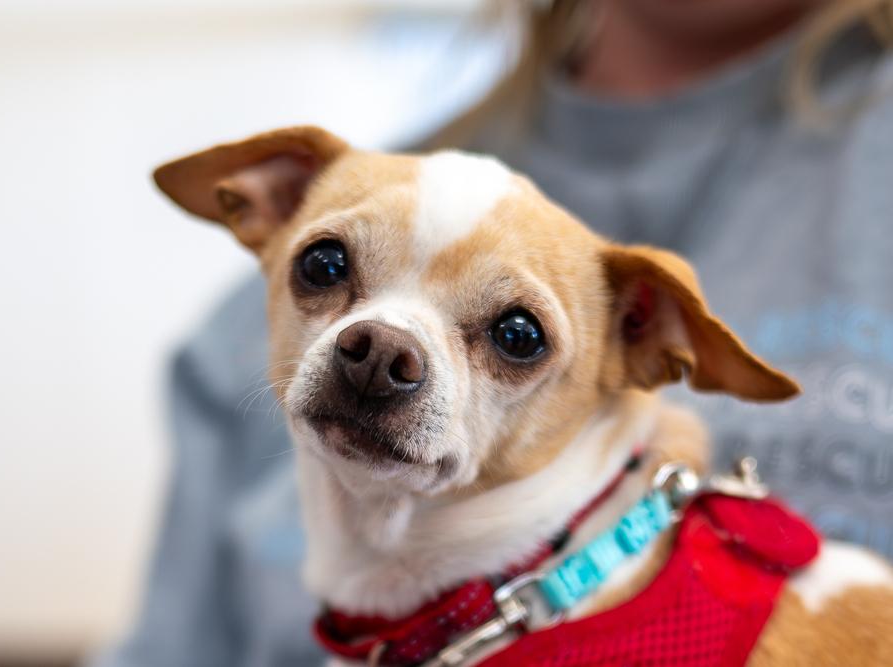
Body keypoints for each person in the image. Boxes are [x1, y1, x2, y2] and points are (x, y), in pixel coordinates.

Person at [92, 1, 893, 665]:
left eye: (514, 335)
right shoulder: (246, 310)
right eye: (329, 268)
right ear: (273, 202)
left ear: (646, 333)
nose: (380, 352)